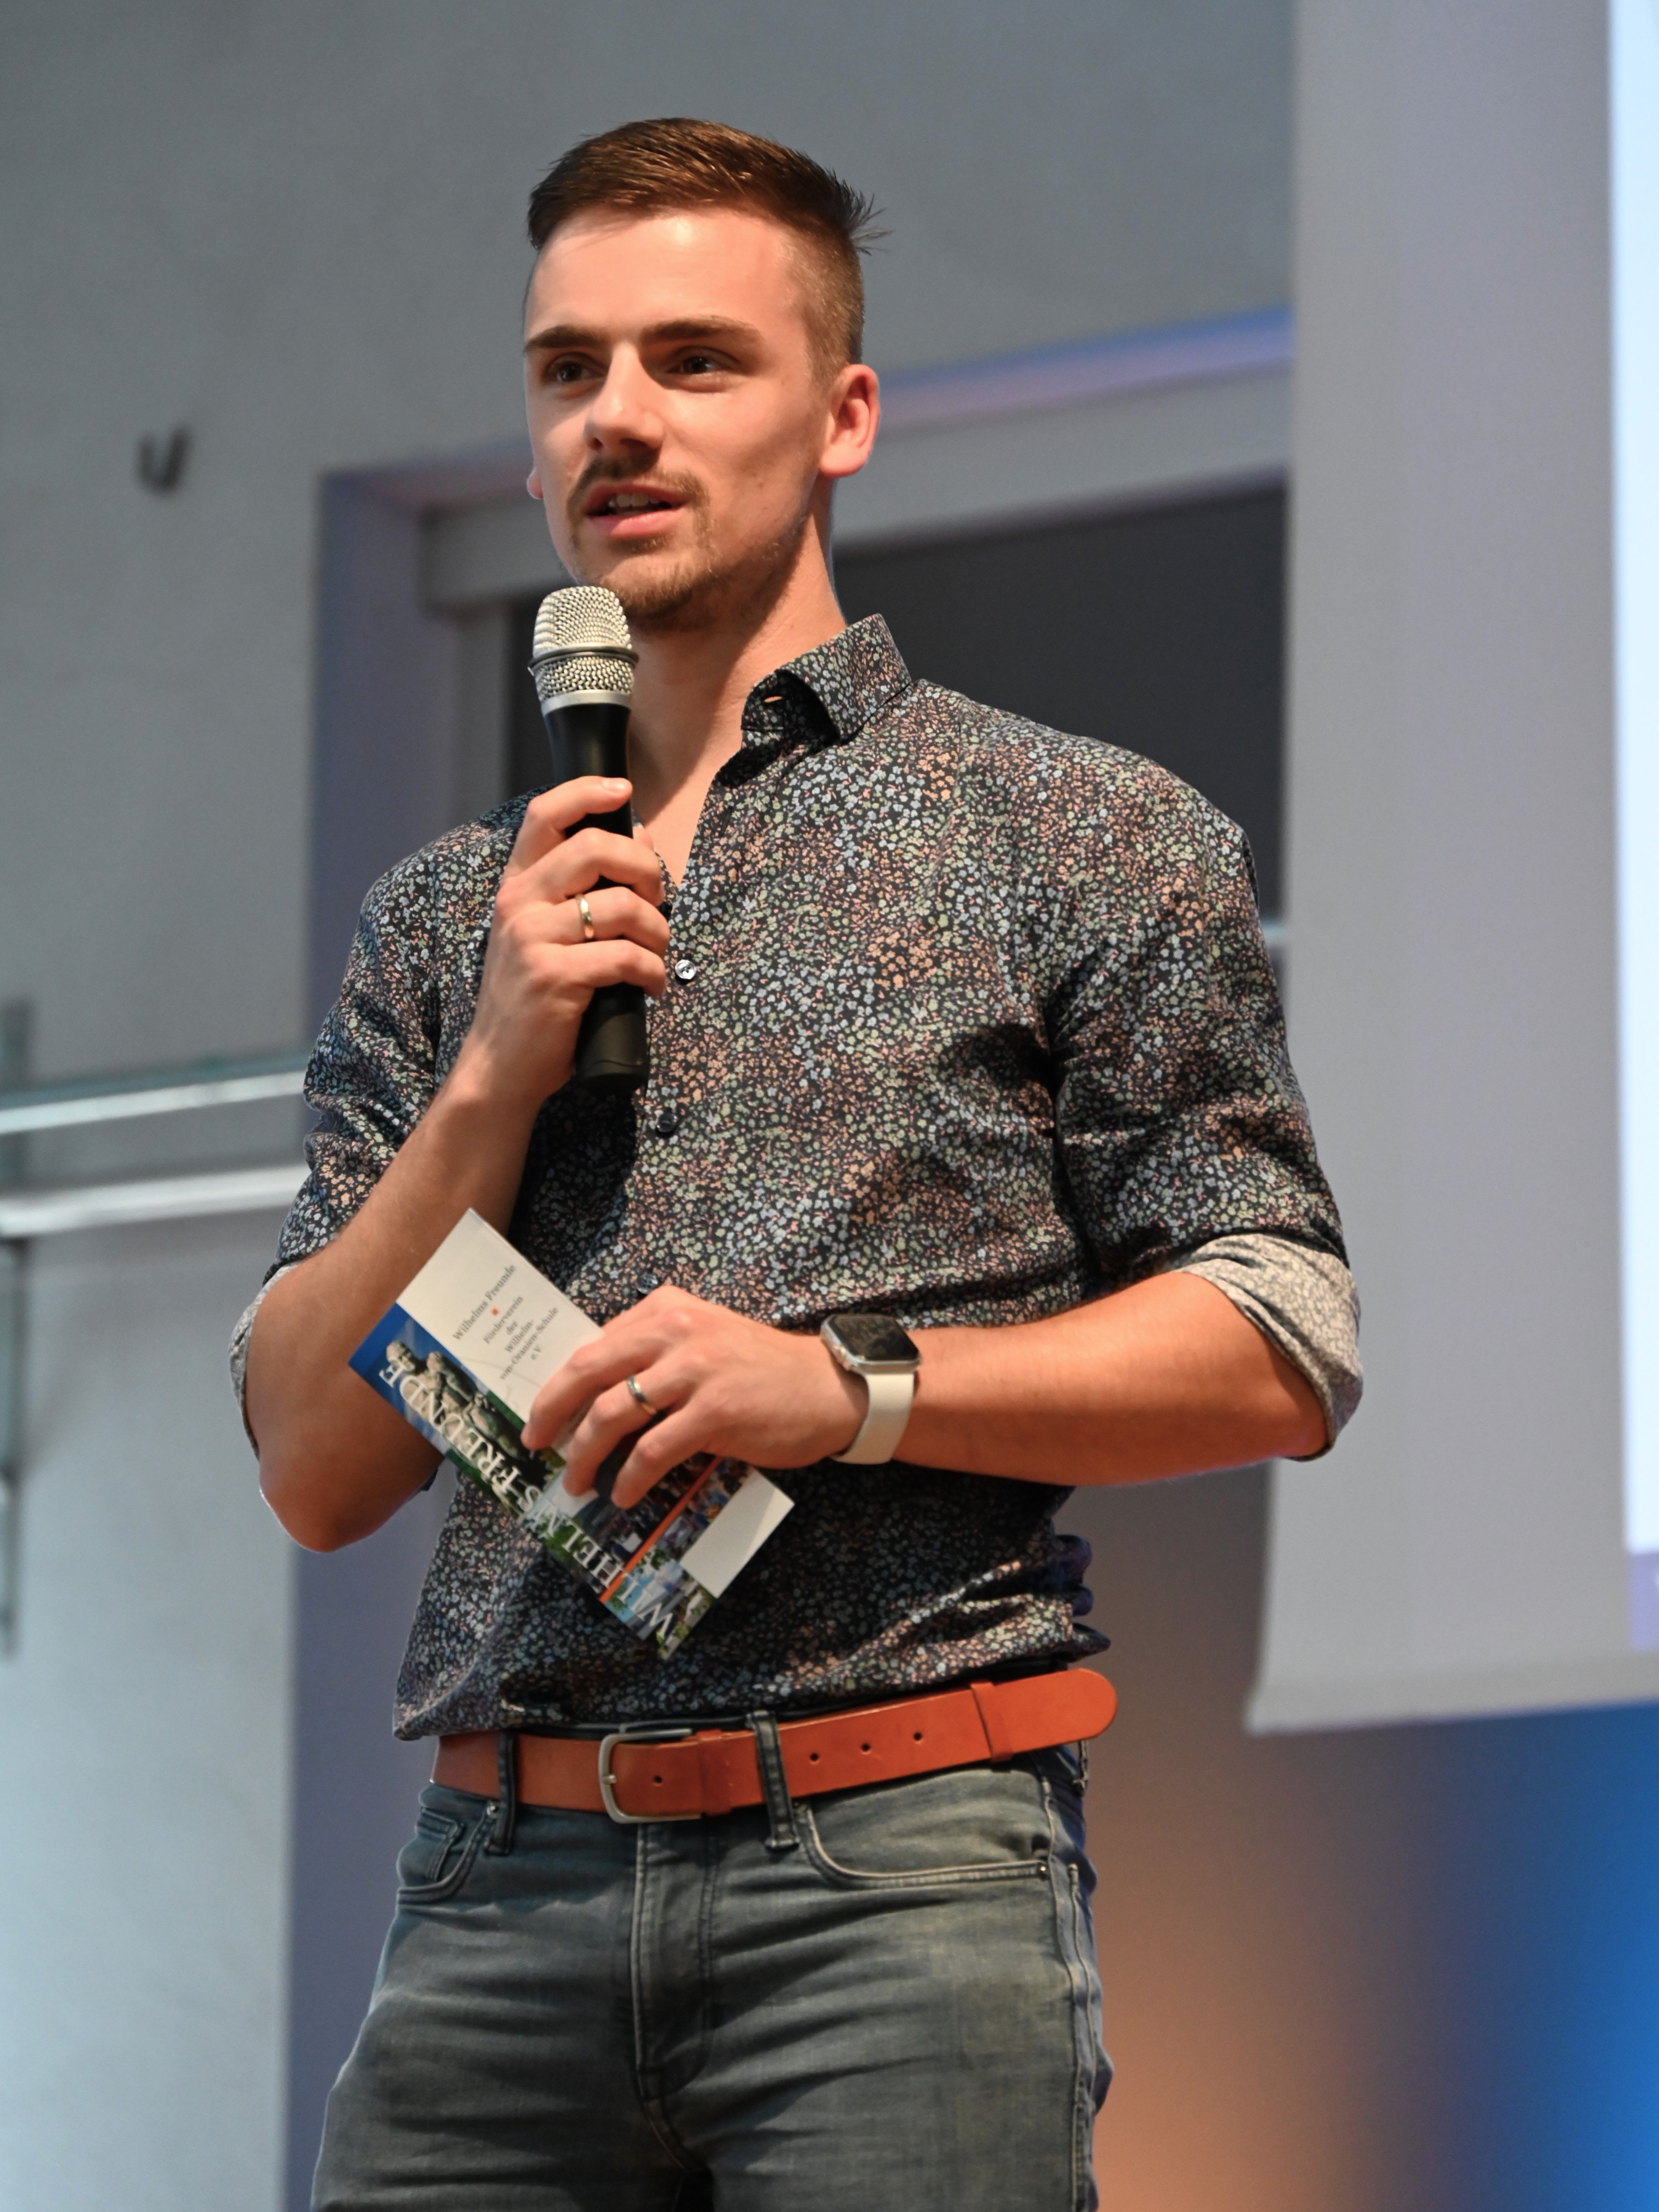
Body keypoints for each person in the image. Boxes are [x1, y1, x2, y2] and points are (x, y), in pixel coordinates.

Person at [235, 117, 1360, 2212]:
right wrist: (490, 1079)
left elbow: (1280, 1335)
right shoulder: (453, 917)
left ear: (841, 415)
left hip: (895, 1882)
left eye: (692, 360)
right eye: (568, 369)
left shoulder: (1075, 833)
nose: (617, 419)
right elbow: (312, 1461)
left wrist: (845, 1392)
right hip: (493, 1897)